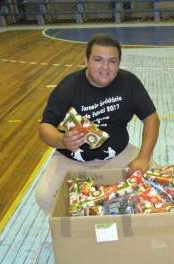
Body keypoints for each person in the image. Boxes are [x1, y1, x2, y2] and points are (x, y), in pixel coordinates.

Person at [35, 33, 160, 214]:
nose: (105, 68)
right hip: (72, 159)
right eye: (98, 60)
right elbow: (44, 128)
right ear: (86, 60)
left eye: (112, 61)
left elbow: (151, 119)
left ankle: (114, 213)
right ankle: (82, 227)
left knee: (155, 180)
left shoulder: (129, 83)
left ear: (119, 63)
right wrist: (63, 141)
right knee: (44, 196)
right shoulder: (69, 87)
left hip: (118, 154)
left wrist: (143, 158)